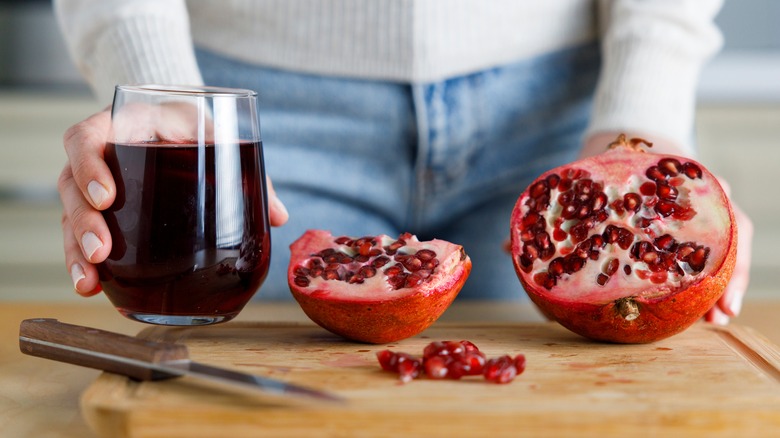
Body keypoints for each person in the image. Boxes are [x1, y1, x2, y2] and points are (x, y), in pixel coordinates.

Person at [53, 0, 752, 324]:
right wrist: (156, 86)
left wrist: (642, 112)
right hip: (238, 113)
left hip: (561, 108)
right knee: (230, 409)